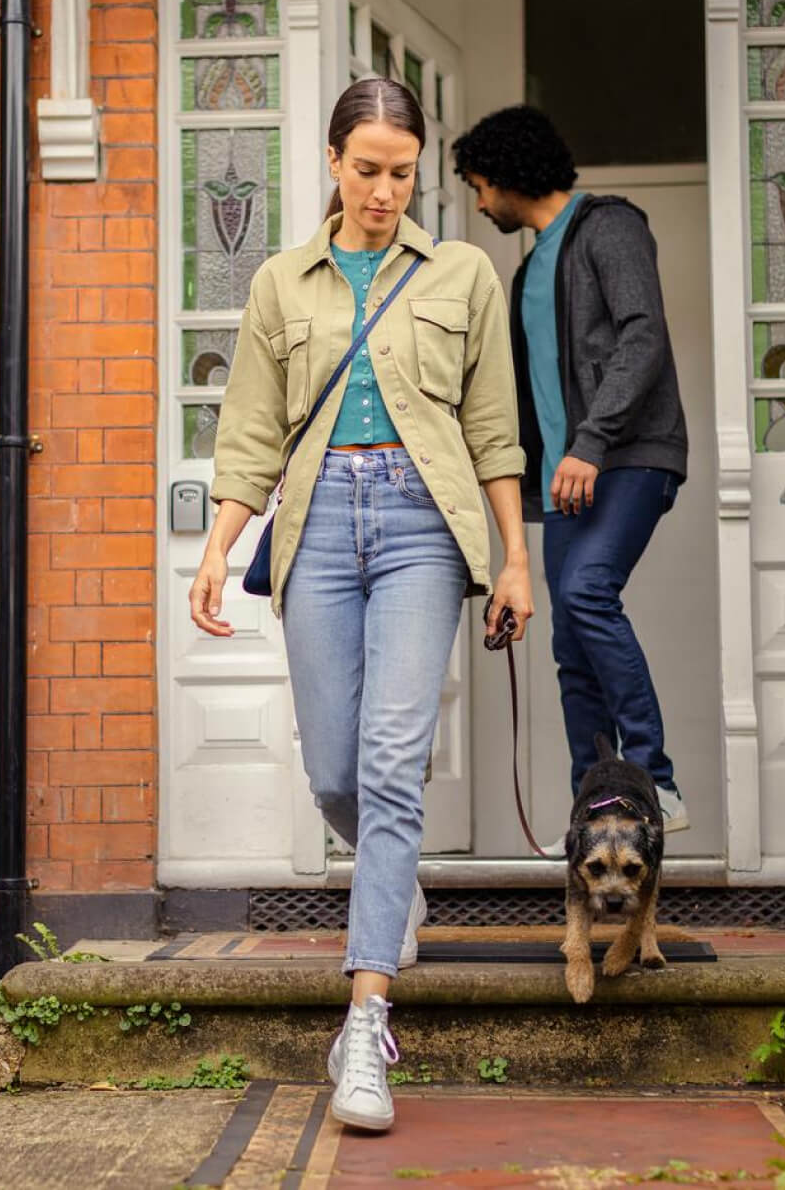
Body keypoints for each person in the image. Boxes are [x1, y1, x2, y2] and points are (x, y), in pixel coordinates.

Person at [189, 78, 533, 1133]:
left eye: (401, 173)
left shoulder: (462, 271)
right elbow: (250, 429)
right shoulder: (280, 283)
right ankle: (397, 876)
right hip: (320, 526)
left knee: (390, 761)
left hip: (425, 522)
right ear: (332, 165)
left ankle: (366, 1020)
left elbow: (492, 429)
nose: (385, 191)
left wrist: (514, 559)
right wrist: (215, 548)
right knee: (334, 766)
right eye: (367, 170)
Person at [451, 105, 691, 840]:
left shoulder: (608, 226)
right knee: (570, 649)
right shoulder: (529, 268)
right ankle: (598, 809)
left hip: (624, 456)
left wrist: (590, 441)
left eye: (476, 187)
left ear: (499, 177)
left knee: (588, 594)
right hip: (565, 480)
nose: (478, 202)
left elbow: (642, 333)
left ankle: (653, 783)